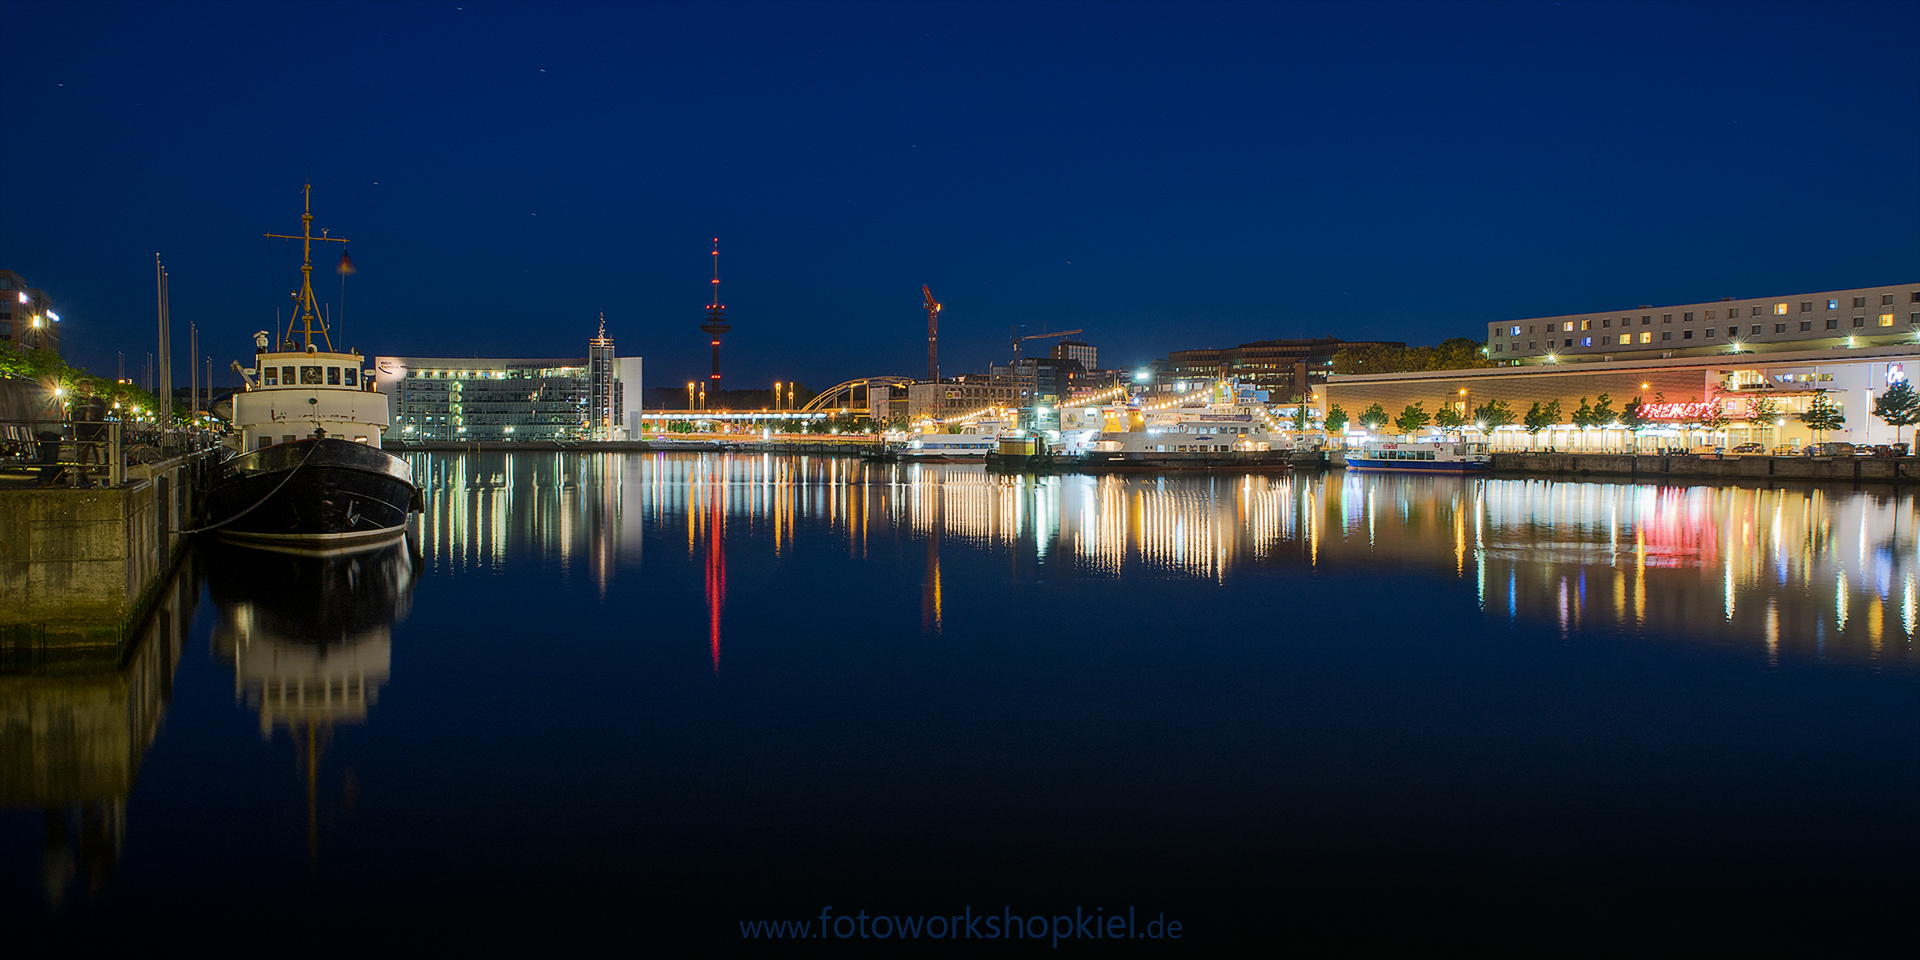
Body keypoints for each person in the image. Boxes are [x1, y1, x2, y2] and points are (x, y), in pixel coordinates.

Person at [72, 383, 108, 487]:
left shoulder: (98, 401)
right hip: (83, 432)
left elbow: (101, 413)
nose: (84, 391)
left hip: (97, 432)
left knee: (101, 458)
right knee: (82, 459)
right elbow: (76, 415)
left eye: (86, 389)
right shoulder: (78, 401)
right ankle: (83, 479)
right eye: (82, 390)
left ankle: (103, 478)